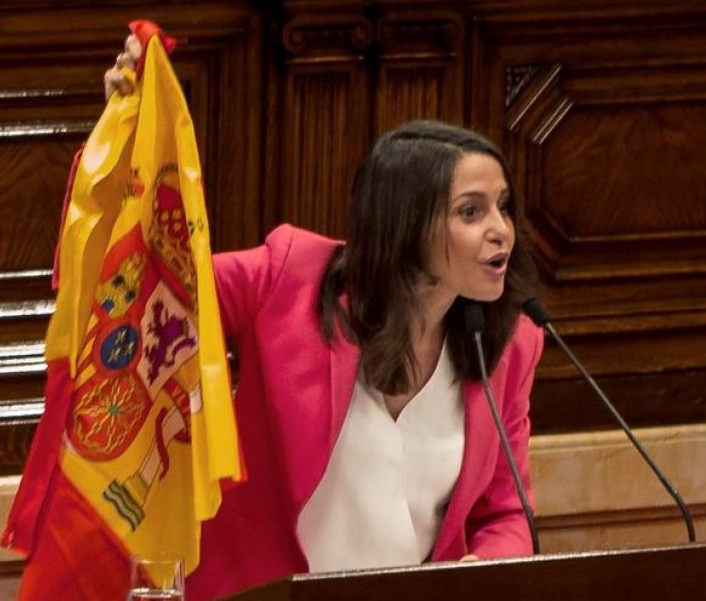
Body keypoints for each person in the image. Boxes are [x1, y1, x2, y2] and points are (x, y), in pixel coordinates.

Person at [105, 40, 544, 598]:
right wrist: (128, 153)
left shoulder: (510, 344)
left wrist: (483, 566)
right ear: (403, 222)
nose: (501, 229)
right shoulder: (288, 277)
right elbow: (150, 286)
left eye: (503, 206)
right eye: (471, 211)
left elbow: (506, 515)